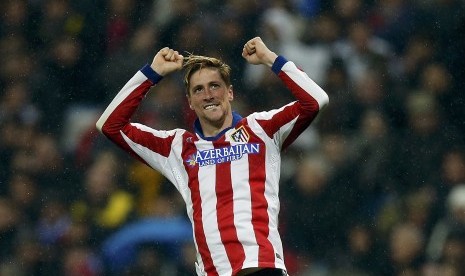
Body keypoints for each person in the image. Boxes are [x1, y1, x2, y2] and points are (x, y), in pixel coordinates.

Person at [96, 36, 329, 276]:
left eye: (214, 86)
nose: (208, 95)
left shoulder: (261, 129)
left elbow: (315, 100)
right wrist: (152, 73)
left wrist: (270, 59)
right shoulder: (177, 147)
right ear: (190, 102)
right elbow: (110, 125)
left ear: (230, 93)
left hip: (262, 268)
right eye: (198, 89)